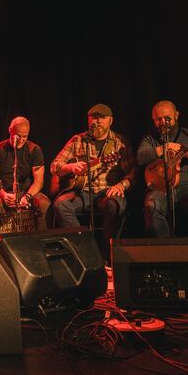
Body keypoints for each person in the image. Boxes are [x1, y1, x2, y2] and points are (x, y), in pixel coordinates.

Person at [51, 104, 134, 262]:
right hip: (81, 192)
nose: (97, 122)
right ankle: (85, 252)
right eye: (93, 119)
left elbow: (133, 171)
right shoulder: (78, 140)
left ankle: (105, 255)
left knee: (115, 205)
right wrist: (70, 167)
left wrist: (122, 185)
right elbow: (54, 166)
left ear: (110, 121)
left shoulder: (119, 142)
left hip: (107, 192)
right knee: (60, 205)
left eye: (101, 118)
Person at [137, 100, 188, 237]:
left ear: (176, 115)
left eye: (167, 118)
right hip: (160, 189)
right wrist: (164, 148)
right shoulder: (150, 138)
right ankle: (166, 250)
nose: (163, 123)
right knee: (151, 205)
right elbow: (141, 158)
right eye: (158, 119)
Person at [0, 116, 50, 236]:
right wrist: (3, 194)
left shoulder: (34, 150)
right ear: (10, 130)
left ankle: (42, 244)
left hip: (28, 192)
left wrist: (28, 196)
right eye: (18, 135)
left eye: (25, 136)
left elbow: (38, 182)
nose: (22, 139)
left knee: (44, 204)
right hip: (5, 192)